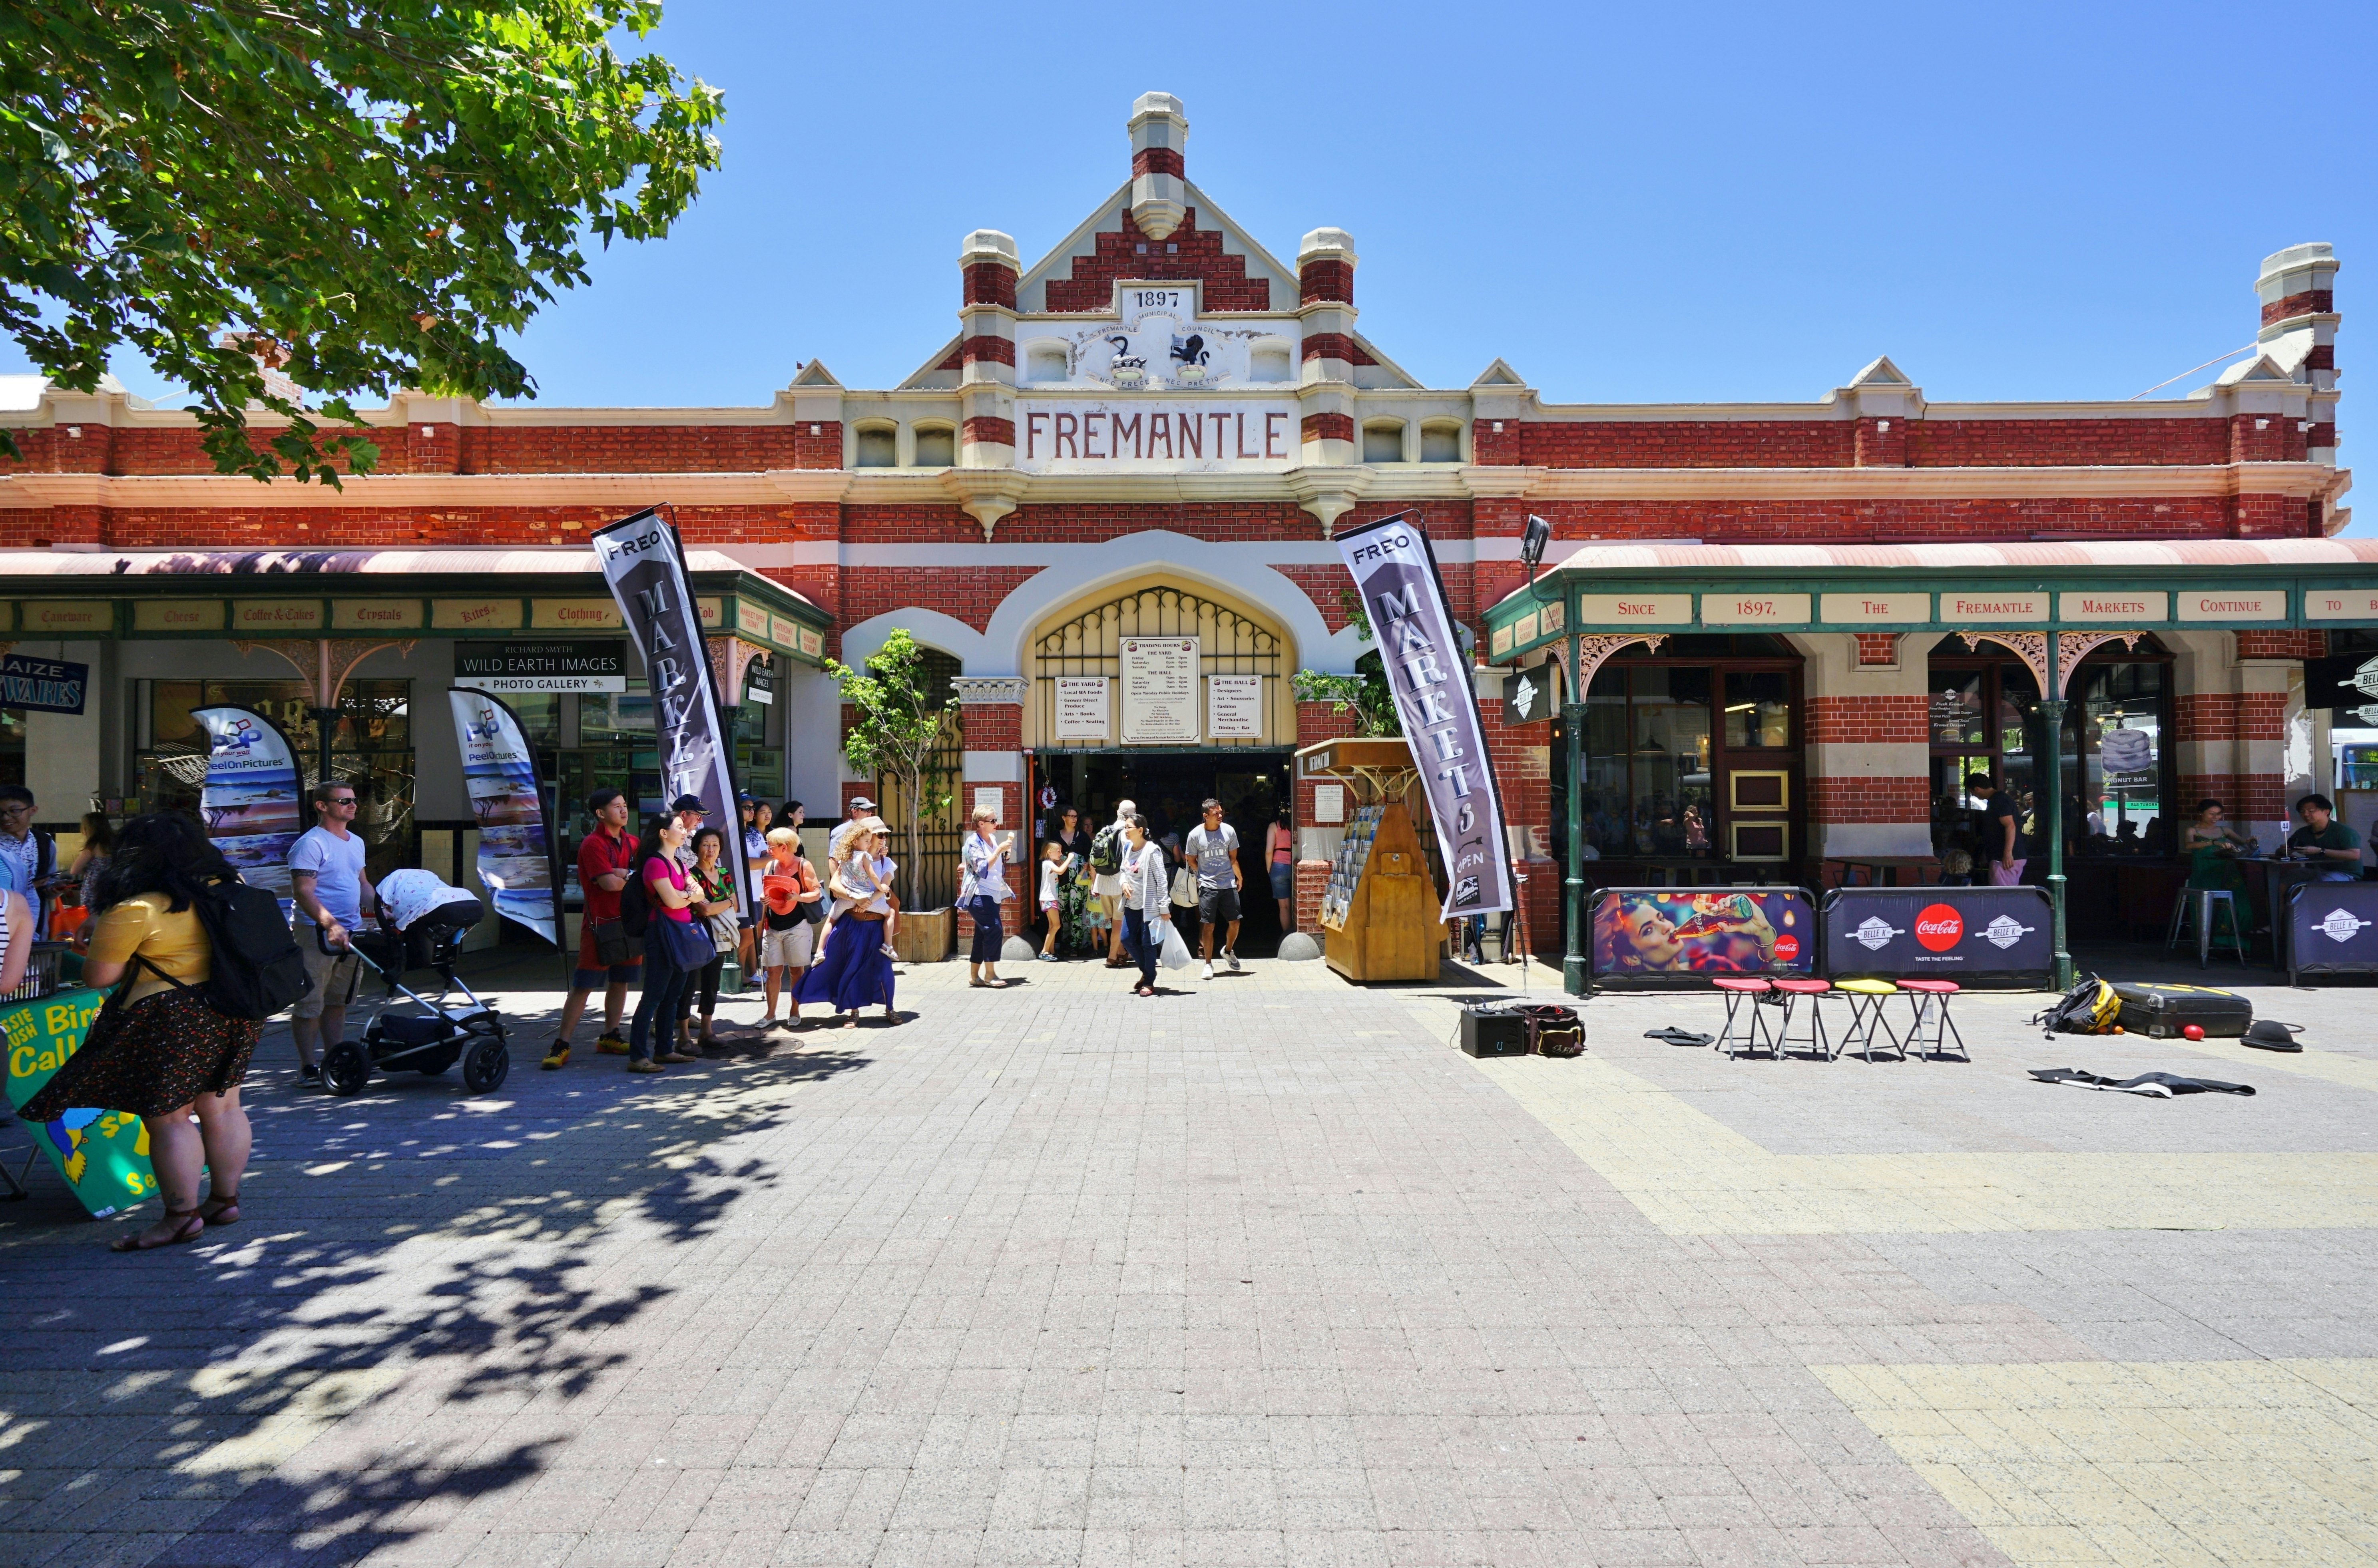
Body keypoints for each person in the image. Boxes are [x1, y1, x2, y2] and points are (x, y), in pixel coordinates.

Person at [20, 814, 251, 1251]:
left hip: (168, 1017)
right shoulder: (230, 890)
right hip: (235, 1008)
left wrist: (97, 945)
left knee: (170, 1119)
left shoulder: (136, 909)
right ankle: (224, 1201)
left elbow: (97, 977)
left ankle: (181, 1218)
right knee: (224, 1108)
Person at [287, 780, 378, 1085]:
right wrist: (330, 924)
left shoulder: (356, 842)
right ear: (322, 806)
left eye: (353, 799)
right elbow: (303, 892)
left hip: (350, 931)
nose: (352, 805)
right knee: (310, 1002)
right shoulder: (311, 844)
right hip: (315, 932)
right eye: (344, 801)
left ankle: (334, 1059)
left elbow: (363, 884)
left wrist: (383, 911)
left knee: (338, 1001)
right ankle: (307, 1067)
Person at [545, 789, 640, 1071]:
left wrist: (623, 874)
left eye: (625, 805)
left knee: (621, 981)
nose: (624, 811)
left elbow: (640, 878)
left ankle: (610, 1036)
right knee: (584, 986)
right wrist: (623, 877)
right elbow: (609, 885)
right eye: (617, 807)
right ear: (600, 814)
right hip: (600, 926)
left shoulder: (633, 842)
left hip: (630, 924)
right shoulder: (592, 844)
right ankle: (561, 1043)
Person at [795, 817, 898, 1027]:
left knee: (884, 969)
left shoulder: (887, 863)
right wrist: (855, 898)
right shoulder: (850, 860)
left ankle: (890, 1009)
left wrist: (866, 902)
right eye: (879, 835)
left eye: (884, 835)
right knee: (851, 968)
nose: (882, 839)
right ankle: (854, 1012)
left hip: (875, 925)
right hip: (852, 924)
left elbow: (884, 887)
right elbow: (834, 885)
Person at [626, 814, 702, 1072]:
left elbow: (699, 892)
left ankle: (664, 1051)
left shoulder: (679, 862)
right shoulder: (655, 863)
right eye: (680, 828)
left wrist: (685, 895)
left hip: (680, 932)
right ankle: (638, 1057)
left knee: (673, 996)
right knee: (653, 996)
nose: (685, 832)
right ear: (663, 833)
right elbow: (672, 901)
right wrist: (687, 895)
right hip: (661, 933)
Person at [676, 826, 739, 1052]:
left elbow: (735, 904)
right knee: (689, 985)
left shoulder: (725, 874)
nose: (711, 849)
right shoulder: (691, 875)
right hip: (696, 935)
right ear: (697, 848)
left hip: (720, 937)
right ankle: (683, 1036)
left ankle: (707, 1031)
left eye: (715, 845)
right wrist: (727, 903)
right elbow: (703, 910)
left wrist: (719, 906)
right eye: (705, 845)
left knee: (712, 984)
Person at [757, 826, 821, 1027]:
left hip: (797, 926)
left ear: (784, 847)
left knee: (796, 971)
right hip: (773, 926)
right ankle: (770, 1014)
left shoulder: (804, 865)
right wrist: (763, 898)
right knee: (773, 971)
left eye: (771, 847)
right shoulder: (771, 866)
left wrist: (798, 897)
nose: (769, 851)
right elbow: (766, 892)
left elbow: (816, 893)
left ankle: (795, 1011)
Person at [1185, 797, 1243, 981]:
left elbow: (1233, 858)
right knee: (1208, 926)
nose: (1220, 815)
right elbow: (1191, 860)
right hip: (1208, 886)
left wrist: (1239, 877)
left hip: (1227, 884)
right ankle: (1208, 963)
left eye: (1221, 812)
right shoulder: (1195, 835)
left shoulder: (1229, 831)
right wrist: (1202, 877)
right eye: (1216, 813)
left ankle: (1228, 951)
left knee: (1235, 922)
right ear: (1205, 816)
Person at [960, 807, 1014, 988]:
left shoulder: (991, 838)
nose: (996, 824)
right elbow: (982, 869)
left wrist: (1003, 854)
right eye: (992, 821)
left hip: (993, 893)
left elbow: (996, 865)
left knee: (981, 935)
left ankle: (974, 977)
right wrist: (999, 850)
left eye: (995, 819)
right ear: (981, 824)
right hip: (979, 893)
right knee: (994, 929)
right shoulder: (972, 843)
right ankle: (990, 975)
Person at [1117, 812, 1170, 998]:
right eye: (1125, 827)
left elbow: (1162, 880)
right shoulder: (1127, 847)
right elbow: (1123, 871)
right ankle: (1149, 972)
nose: (1126, 831)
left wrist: (1164, 907)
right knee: (1126, 939)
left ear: (1140, 830)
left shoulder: (1152, 850)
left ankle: (1148, 981)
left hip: (1150, 906)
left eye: (1128, 827)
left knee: (1148, 944)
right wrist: (1123, 882)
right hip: (1132, 904)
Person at [0, 784, 62, 937]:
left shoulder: (45, 842)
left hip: (35, 920)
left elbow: (50, 880)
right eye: (1, 813)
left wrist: (53, 890)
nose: (6, 818)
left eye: (14, 811)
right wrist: (28, 886)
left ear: (33, 810)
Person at [1091, 799, 1136, 967]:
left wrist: (1094, 885)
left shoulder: (1104, 830)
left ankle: (1122, 952)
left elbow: (1095, 860)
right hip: (1120, 884)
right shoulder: (1128, 834)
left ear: (1118, 812)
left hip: (1103, 884)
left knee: (1113, 923)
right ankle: (1112, 957)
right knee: (1119, 924)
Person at [1966, 772, 2027, 885]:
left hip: (2004, 859)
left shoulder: (1999, 801)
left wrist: (2008, 854)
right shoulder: (1998, 799)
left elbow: (2010, 826)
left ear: (1977, 789)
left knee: (2002, 895)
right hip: (2003, 856)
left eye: (1972, 792)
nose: (1974, 795)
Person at [2287, 793, 2363, 882]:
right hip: (2315, 871)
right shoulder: (2302, 832)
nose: (2306, 814)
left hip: (2345, 873)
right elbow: (2284, 851)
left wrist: (2321, 851)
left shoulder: (2344, 831)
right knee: (2287, 878)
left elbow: (2354, 855)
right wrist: (2284, 850)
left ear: (2326, 812)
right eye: (2302, 812)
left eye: (2311, 811)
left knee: (2320, 883)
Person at [1051, 806, 1093, 956]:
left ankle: (1077, 945)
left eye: (1076, 817)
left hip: (1079, 881)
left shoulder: (1082, 836)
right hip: (1062, 879)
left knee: (1077, 911)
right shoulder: (1056, 836)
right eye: (1072, 816)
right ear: (1064, 818)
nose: (1075, 819)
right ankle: (1066, 943)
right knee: (1064, 913)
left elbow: (1090, 857)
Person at [1264, 810, 1295, 934]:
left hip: (1278, 867)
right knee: (1297, 903)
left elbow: (1269, 851)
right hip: (1294, 865)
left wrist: (1269, 869)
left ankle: (1287, 937)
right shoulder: (1297, 825)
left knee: (1284, 906)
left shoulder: (1274, 826)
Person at [1036, 840, 1067, 961]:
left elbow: (1058, 869)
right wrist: (1069, 859)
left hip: (1049, 898)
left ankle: (1051, 951)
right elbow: (1060, 871)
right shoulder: (1048, 864)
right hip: (1049, 898)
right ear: (1050, 852)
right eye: (1058, 851)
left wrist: (1061, 863)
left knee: (1052, 926)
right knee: (1057, 925)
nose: (1061, 853)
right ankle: (1044, 951)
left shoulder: (1049, 864)